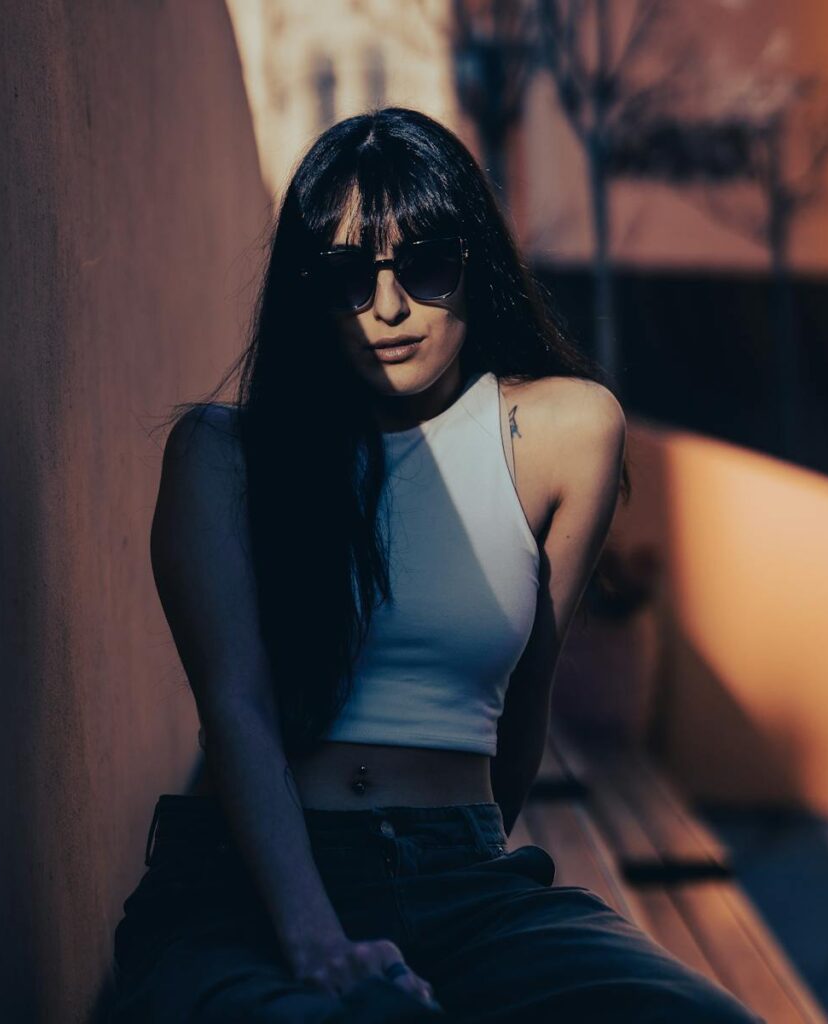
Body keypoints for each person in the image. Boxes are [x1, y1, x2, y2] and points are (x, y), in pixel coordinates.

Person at [109, 107, 763, 1023]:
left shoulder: (563, 434)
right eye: (346, 276)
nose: (387, 307)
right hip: (254, 886)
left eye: (423, 263)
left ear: (475, 263)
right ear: (308, 292)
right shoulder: (226, 458)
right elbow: (238, 712)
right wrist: (319, 944)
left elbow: (525, 703)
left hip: (465, 883)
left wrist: (457, 871)